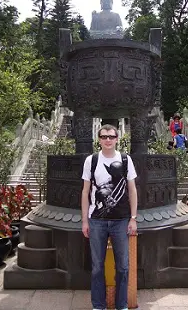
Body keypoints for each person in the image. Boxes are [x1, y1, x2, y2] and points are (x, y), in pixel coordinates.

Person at [81, 124, 138, 310]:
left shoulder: (125, 160)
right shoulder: (92, 160)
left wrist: (133, 218)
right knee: (97, 267)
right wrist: (84, 221)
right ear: (99, 139)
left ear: (116, 139)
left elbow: (132, 189)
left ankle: (121, 305)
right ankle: (98, 306)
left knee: (123, 266)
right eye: (104, 136)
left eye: (111, 137)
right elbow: (85, 191)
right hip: (96, 220)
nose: (107, 140)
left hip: (121, 220)